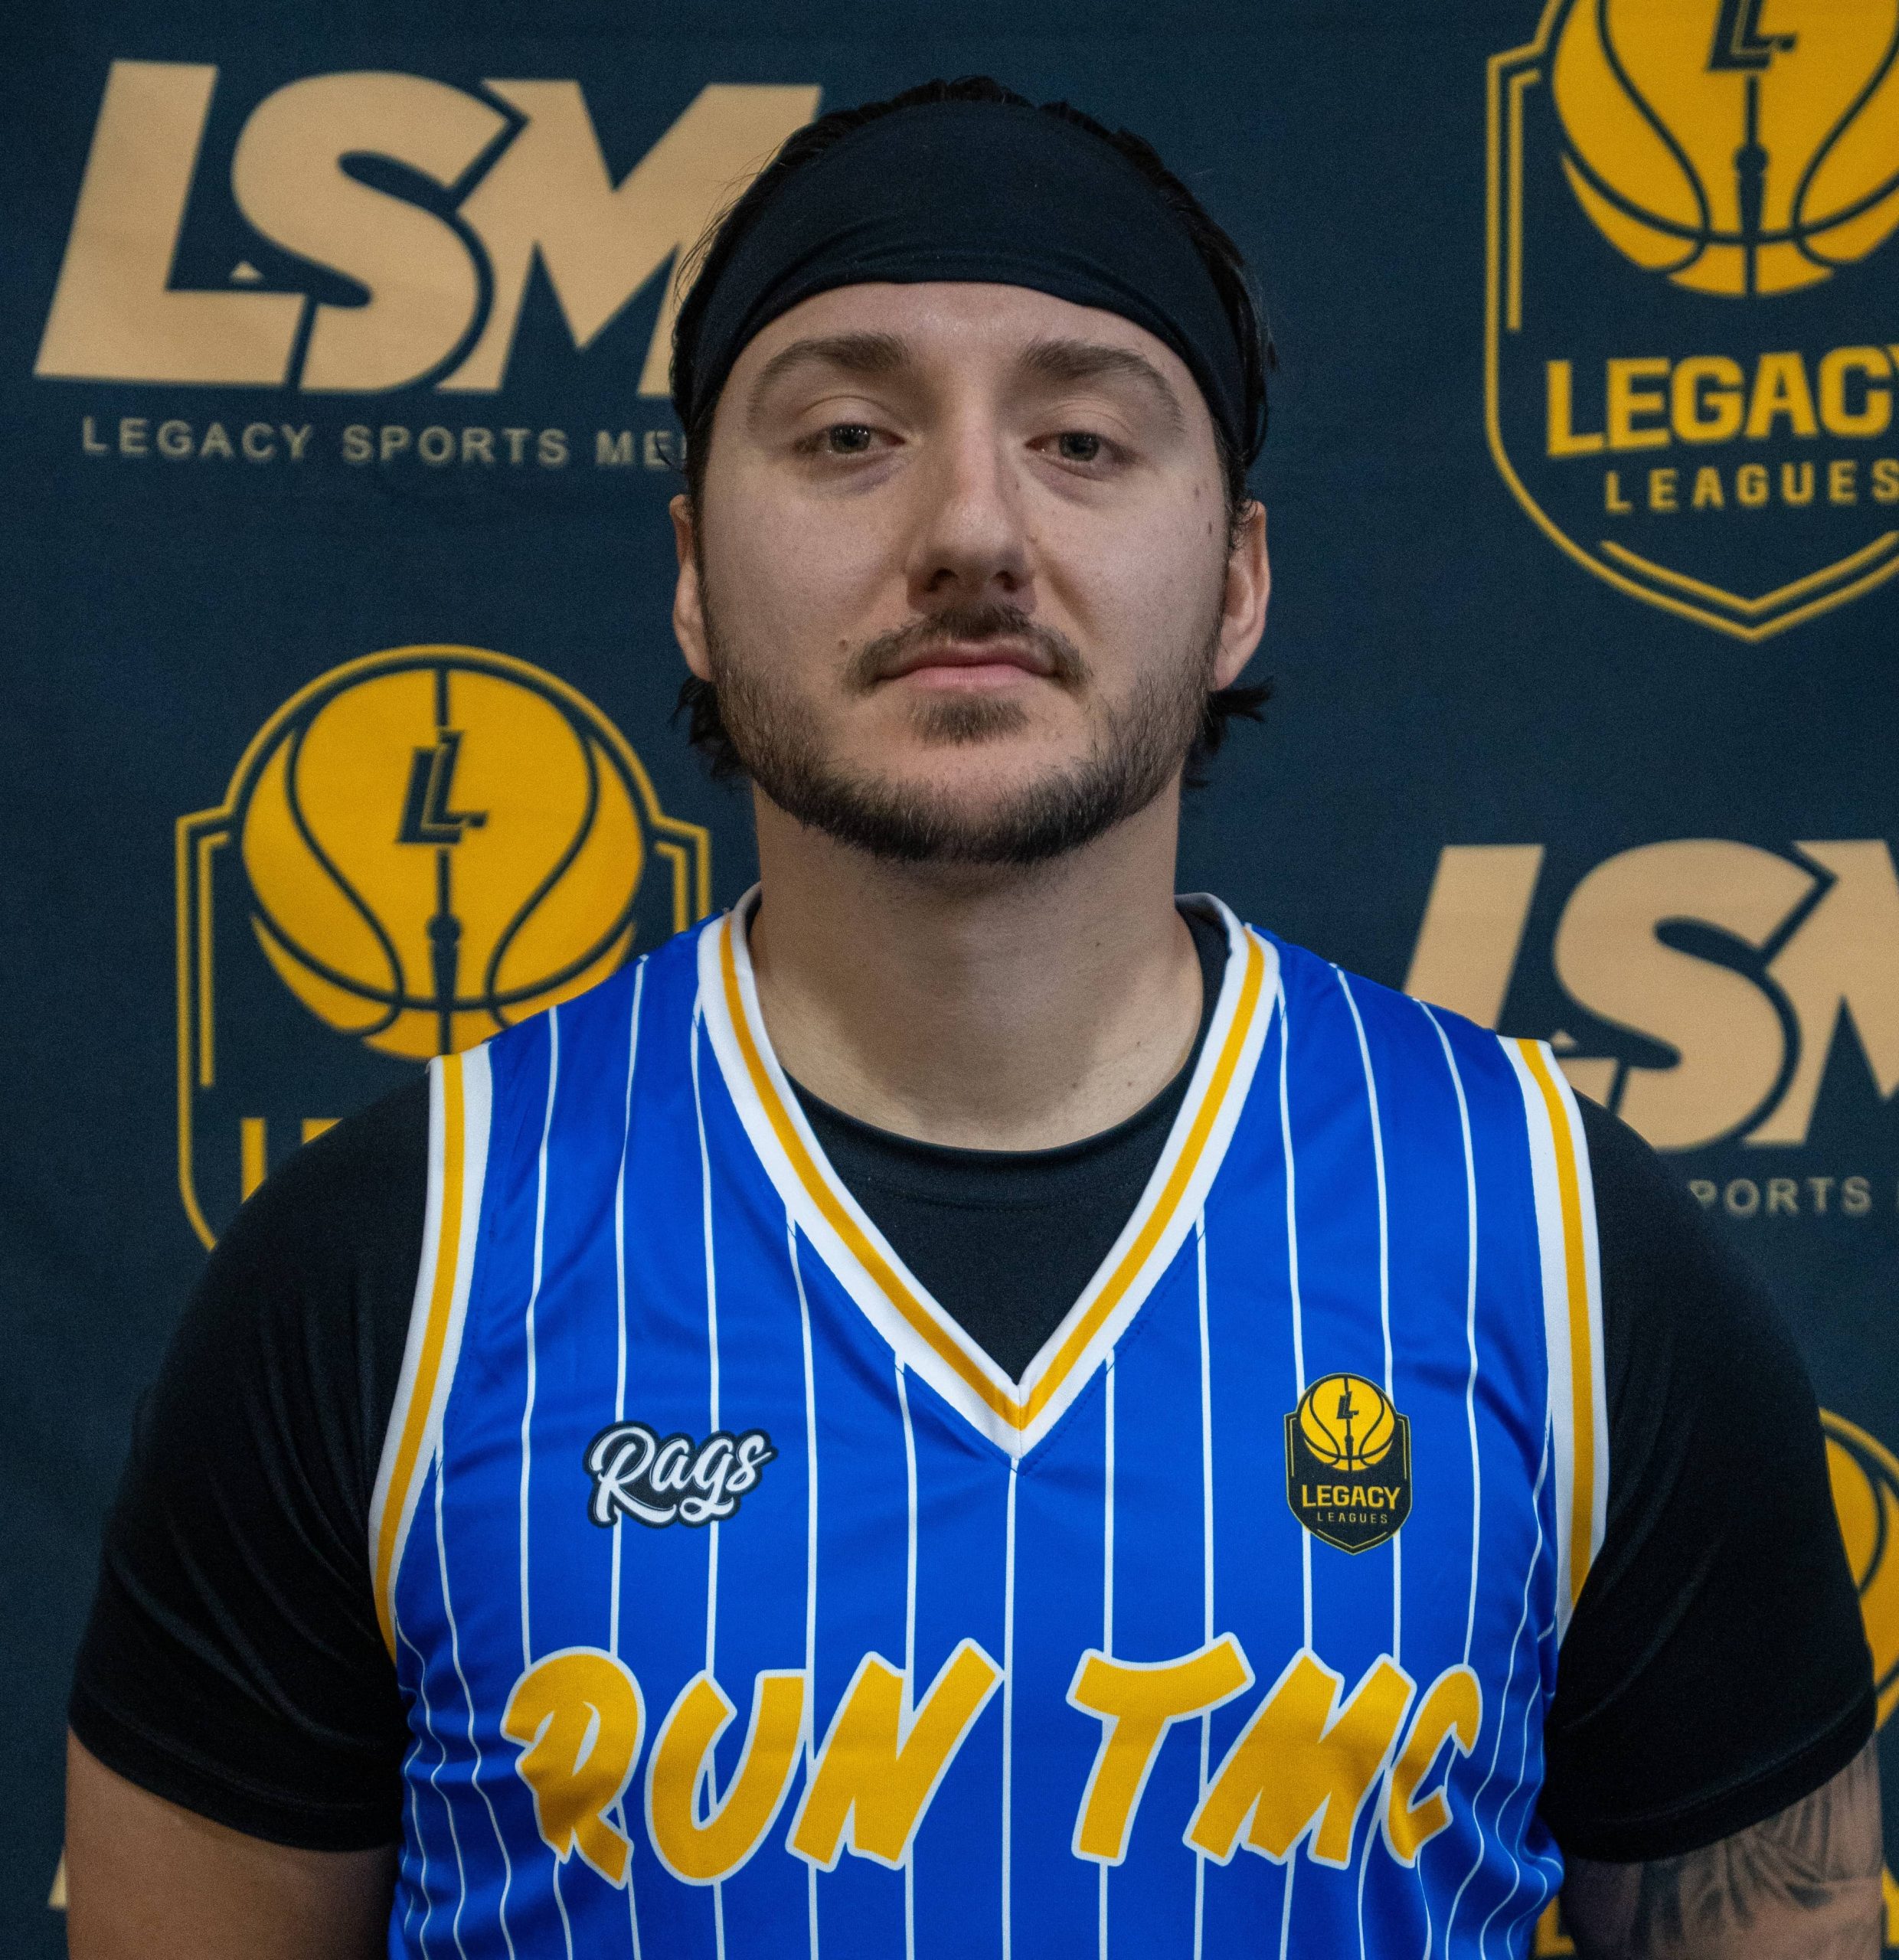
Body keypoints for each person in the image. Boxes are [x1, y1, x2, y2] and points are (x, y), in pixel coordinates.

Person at [65, 77, 1878, 1960]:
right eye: (848, 435)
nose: (970, 528)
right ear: (691, 577)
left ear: (1237, 581)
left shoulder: (1559, 1244)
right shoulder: (397, 1258)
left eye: (1083, 438)